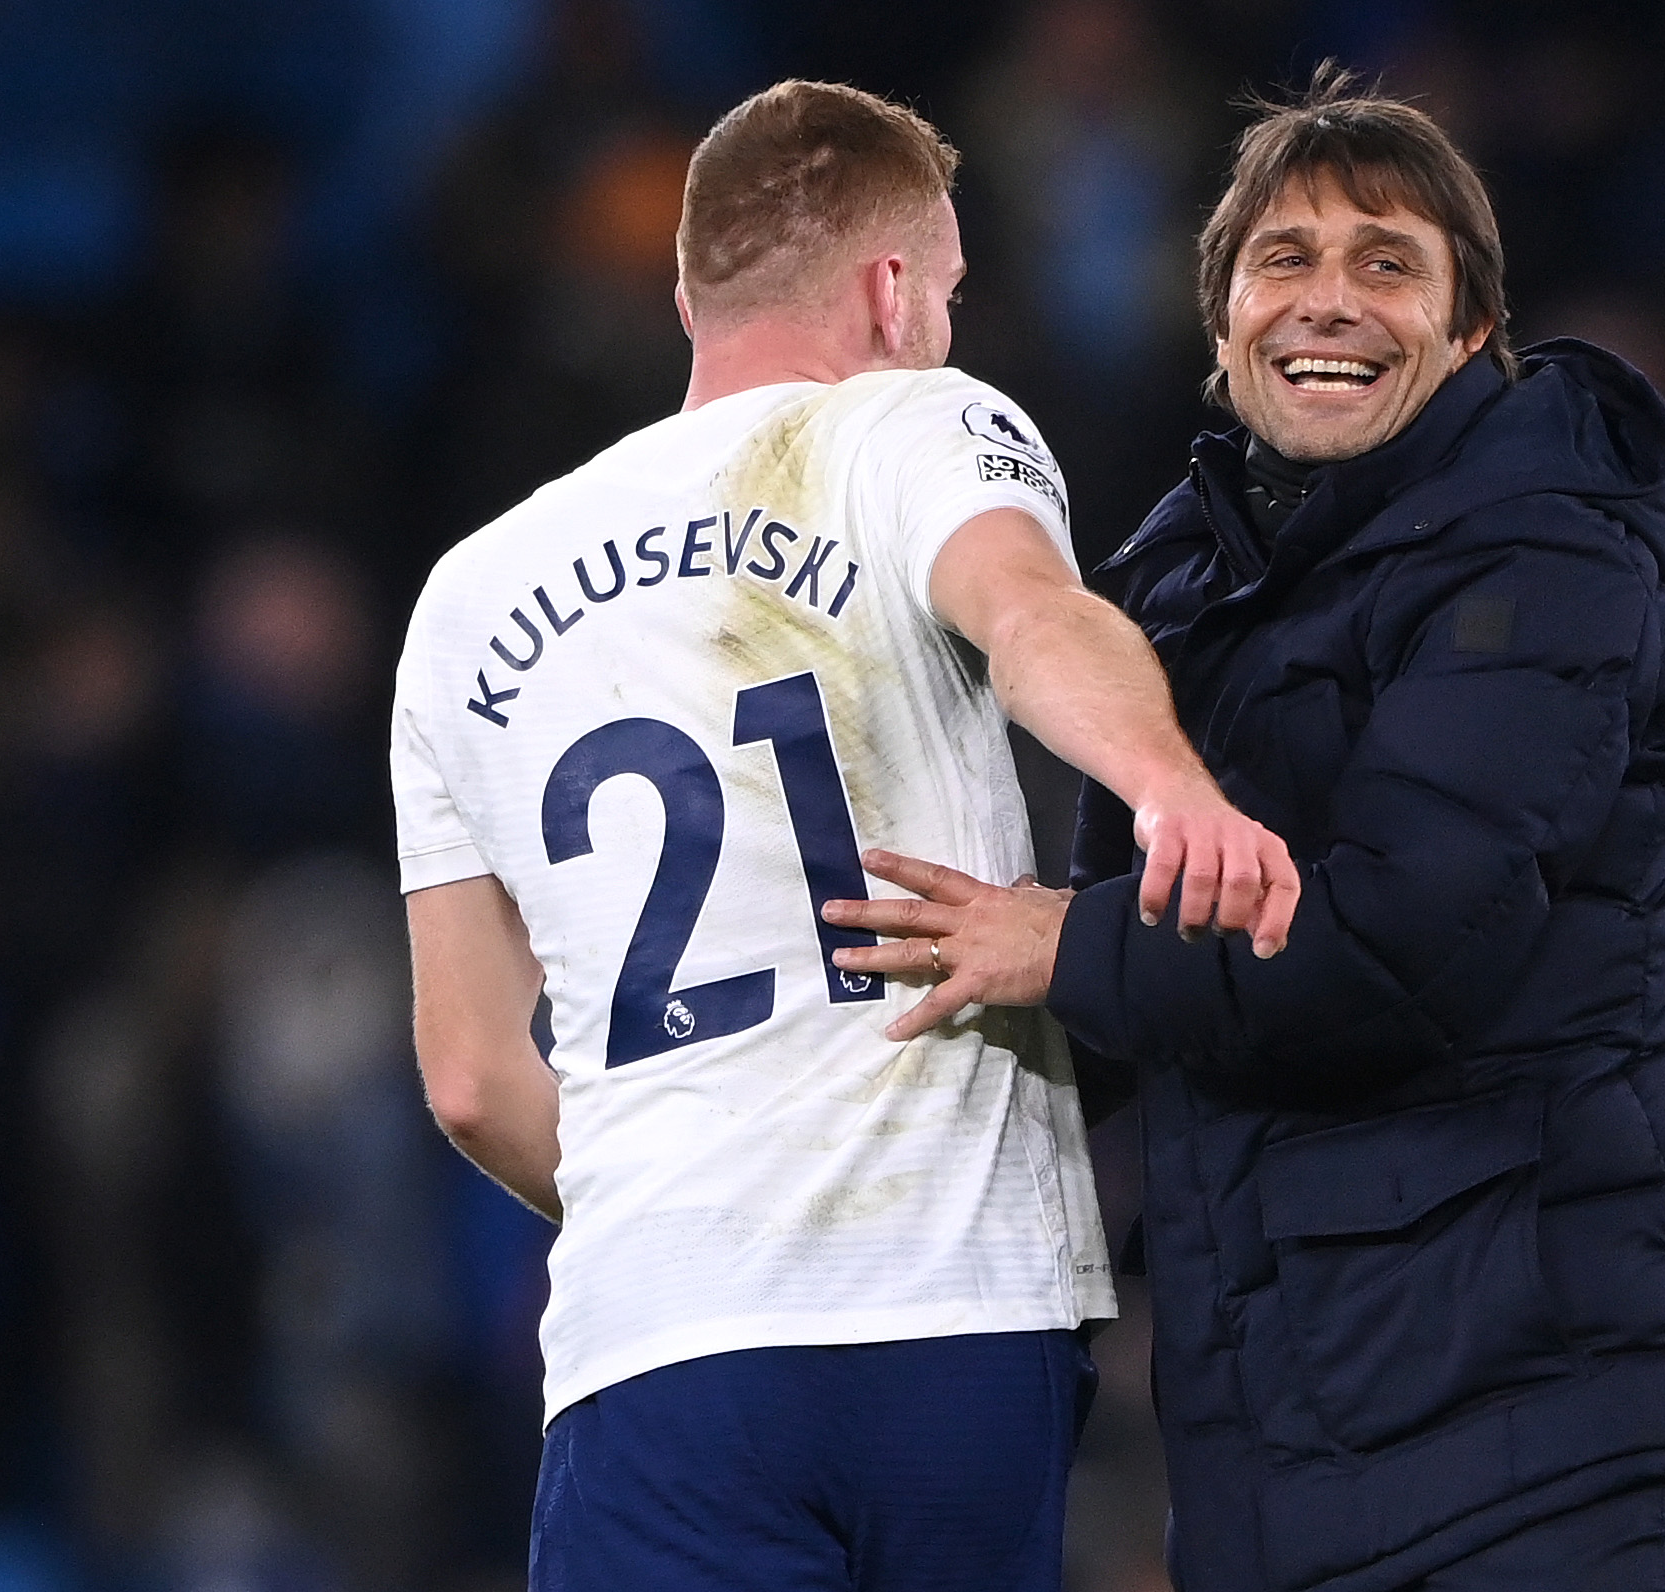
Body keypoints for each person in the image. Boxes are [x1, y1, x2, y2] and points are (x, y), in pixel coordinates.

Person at [824, 72, 1665, 1591]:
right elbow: (1123, 1013)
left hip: (1546, 1432)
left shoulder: (1546, 550)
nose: (1328, 301)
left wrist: (1055, 943)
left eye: (1387, 264)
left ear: (1473, 333)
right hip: (1289, 1444)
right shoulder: (1179, 597)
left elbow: (1409, 936)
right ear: (1223, 331)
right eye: (1284, 261)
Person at [389, 80, 1297, 1592]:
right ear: (891, 290)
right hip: (940, 1304)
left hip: (655, 1341)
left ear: (692, 291)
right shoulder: (907, 425)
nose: (942, 321)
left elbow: (471, 1076)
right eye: (942, 290)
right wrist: (1168, 786)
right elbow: (1030, 615)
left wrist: (683, 1207)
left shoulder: (466, 598)